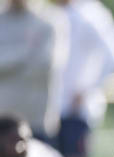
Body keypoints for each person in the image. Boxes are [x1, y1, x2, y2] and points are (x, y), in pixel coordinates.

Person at [52, 0, 114, 157]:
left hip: (75, 109)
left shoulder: (91, 14)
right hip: (51, 108)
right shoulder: (53, 13)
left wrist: (87, 89)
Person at [0, 0, 68, 141]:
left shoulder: (49, 20)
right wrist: (27, 52)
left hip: (36, 124)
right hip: (2, 124)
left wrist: (8, 61)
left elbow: (44, 66)